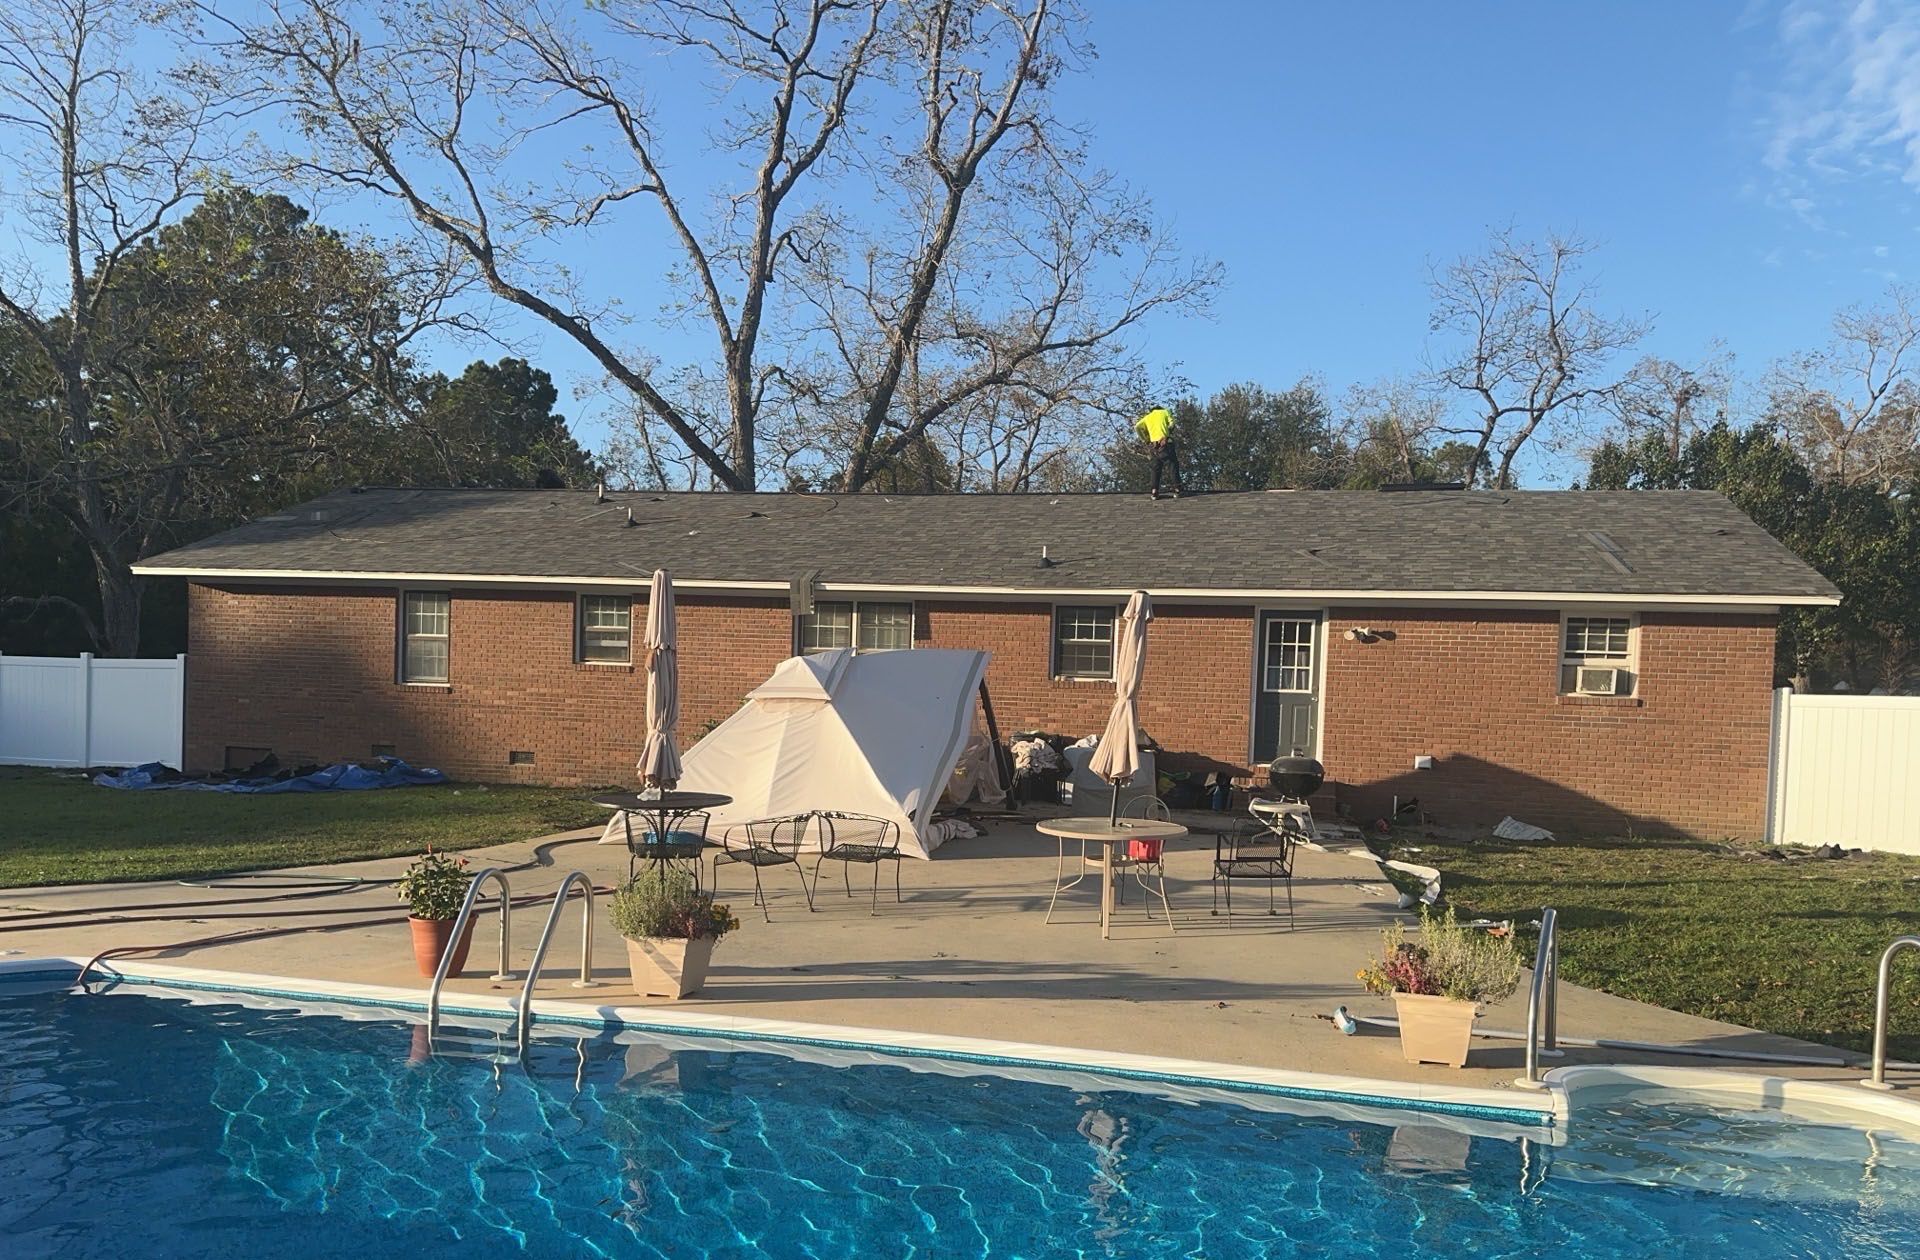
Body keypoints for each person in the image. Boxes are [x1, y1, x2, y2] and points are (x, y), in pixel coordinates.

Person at [1133, 405, 1183, 498]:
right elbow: (1172, 424)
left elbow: (1137, 427)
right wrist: (1168, 432)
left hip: (1154, 446)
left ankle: (1154, 490)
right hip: (1165, 443)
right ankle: (1177, 489)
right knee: (1172, 464)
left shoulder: (1148, 417)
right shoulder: (1165, 412)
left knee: (1155, 468)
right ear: (1161, 409)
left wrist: (1145, 439)